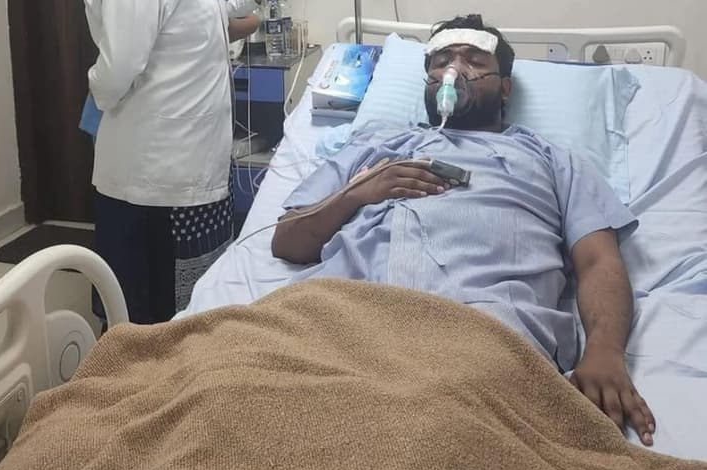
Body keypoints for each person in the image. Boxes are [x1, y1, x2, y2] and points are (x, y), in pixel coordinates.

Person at [272, 14, 657, 447]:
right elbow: (287, 241)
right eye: (440, 61)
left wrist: (604, 351)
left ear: (505, 87)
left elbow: (598, 260)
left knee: (438, 434)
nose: (453, 69)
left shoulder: (551, 160)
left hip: (482, 331)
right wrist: (357, 194)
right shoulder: (375, 147)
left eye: (473, 59)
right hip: (340, 319)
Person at [82, 0, 261, 325]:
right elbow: (117, 70)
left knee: (196, 311)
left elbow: (226, 7)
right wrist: (97, 86)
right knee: (148, 319)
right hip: (155, 180)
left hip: (192, 167)